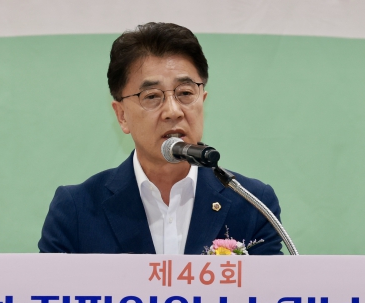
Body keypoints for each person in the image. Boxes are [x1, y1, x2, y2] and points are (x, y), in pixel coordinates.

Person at [39, 22, 283, 255]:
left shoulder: (252, 204)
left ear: (202, 101)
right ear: (122, 115)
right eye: (152, 96)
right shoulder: (76, 210)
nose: (173, 111)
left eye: (185, 93)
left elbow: (270, 285)